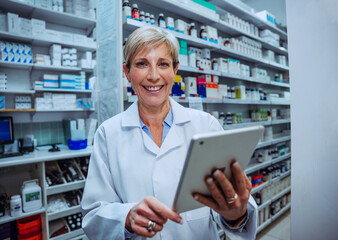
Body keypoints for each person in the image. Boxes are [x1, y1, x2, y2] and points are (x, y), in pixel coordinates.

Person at [81, 27, 257, 240]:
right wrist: (126, 217)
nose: (154, 76)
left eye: (163, 64)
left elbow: (233, 198)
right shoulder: (108, 134)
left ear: (175, 70)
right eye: (142, 64)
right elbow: (93, 215)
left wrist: (236, 215)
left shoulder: (206, 126)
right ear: (127, 72)